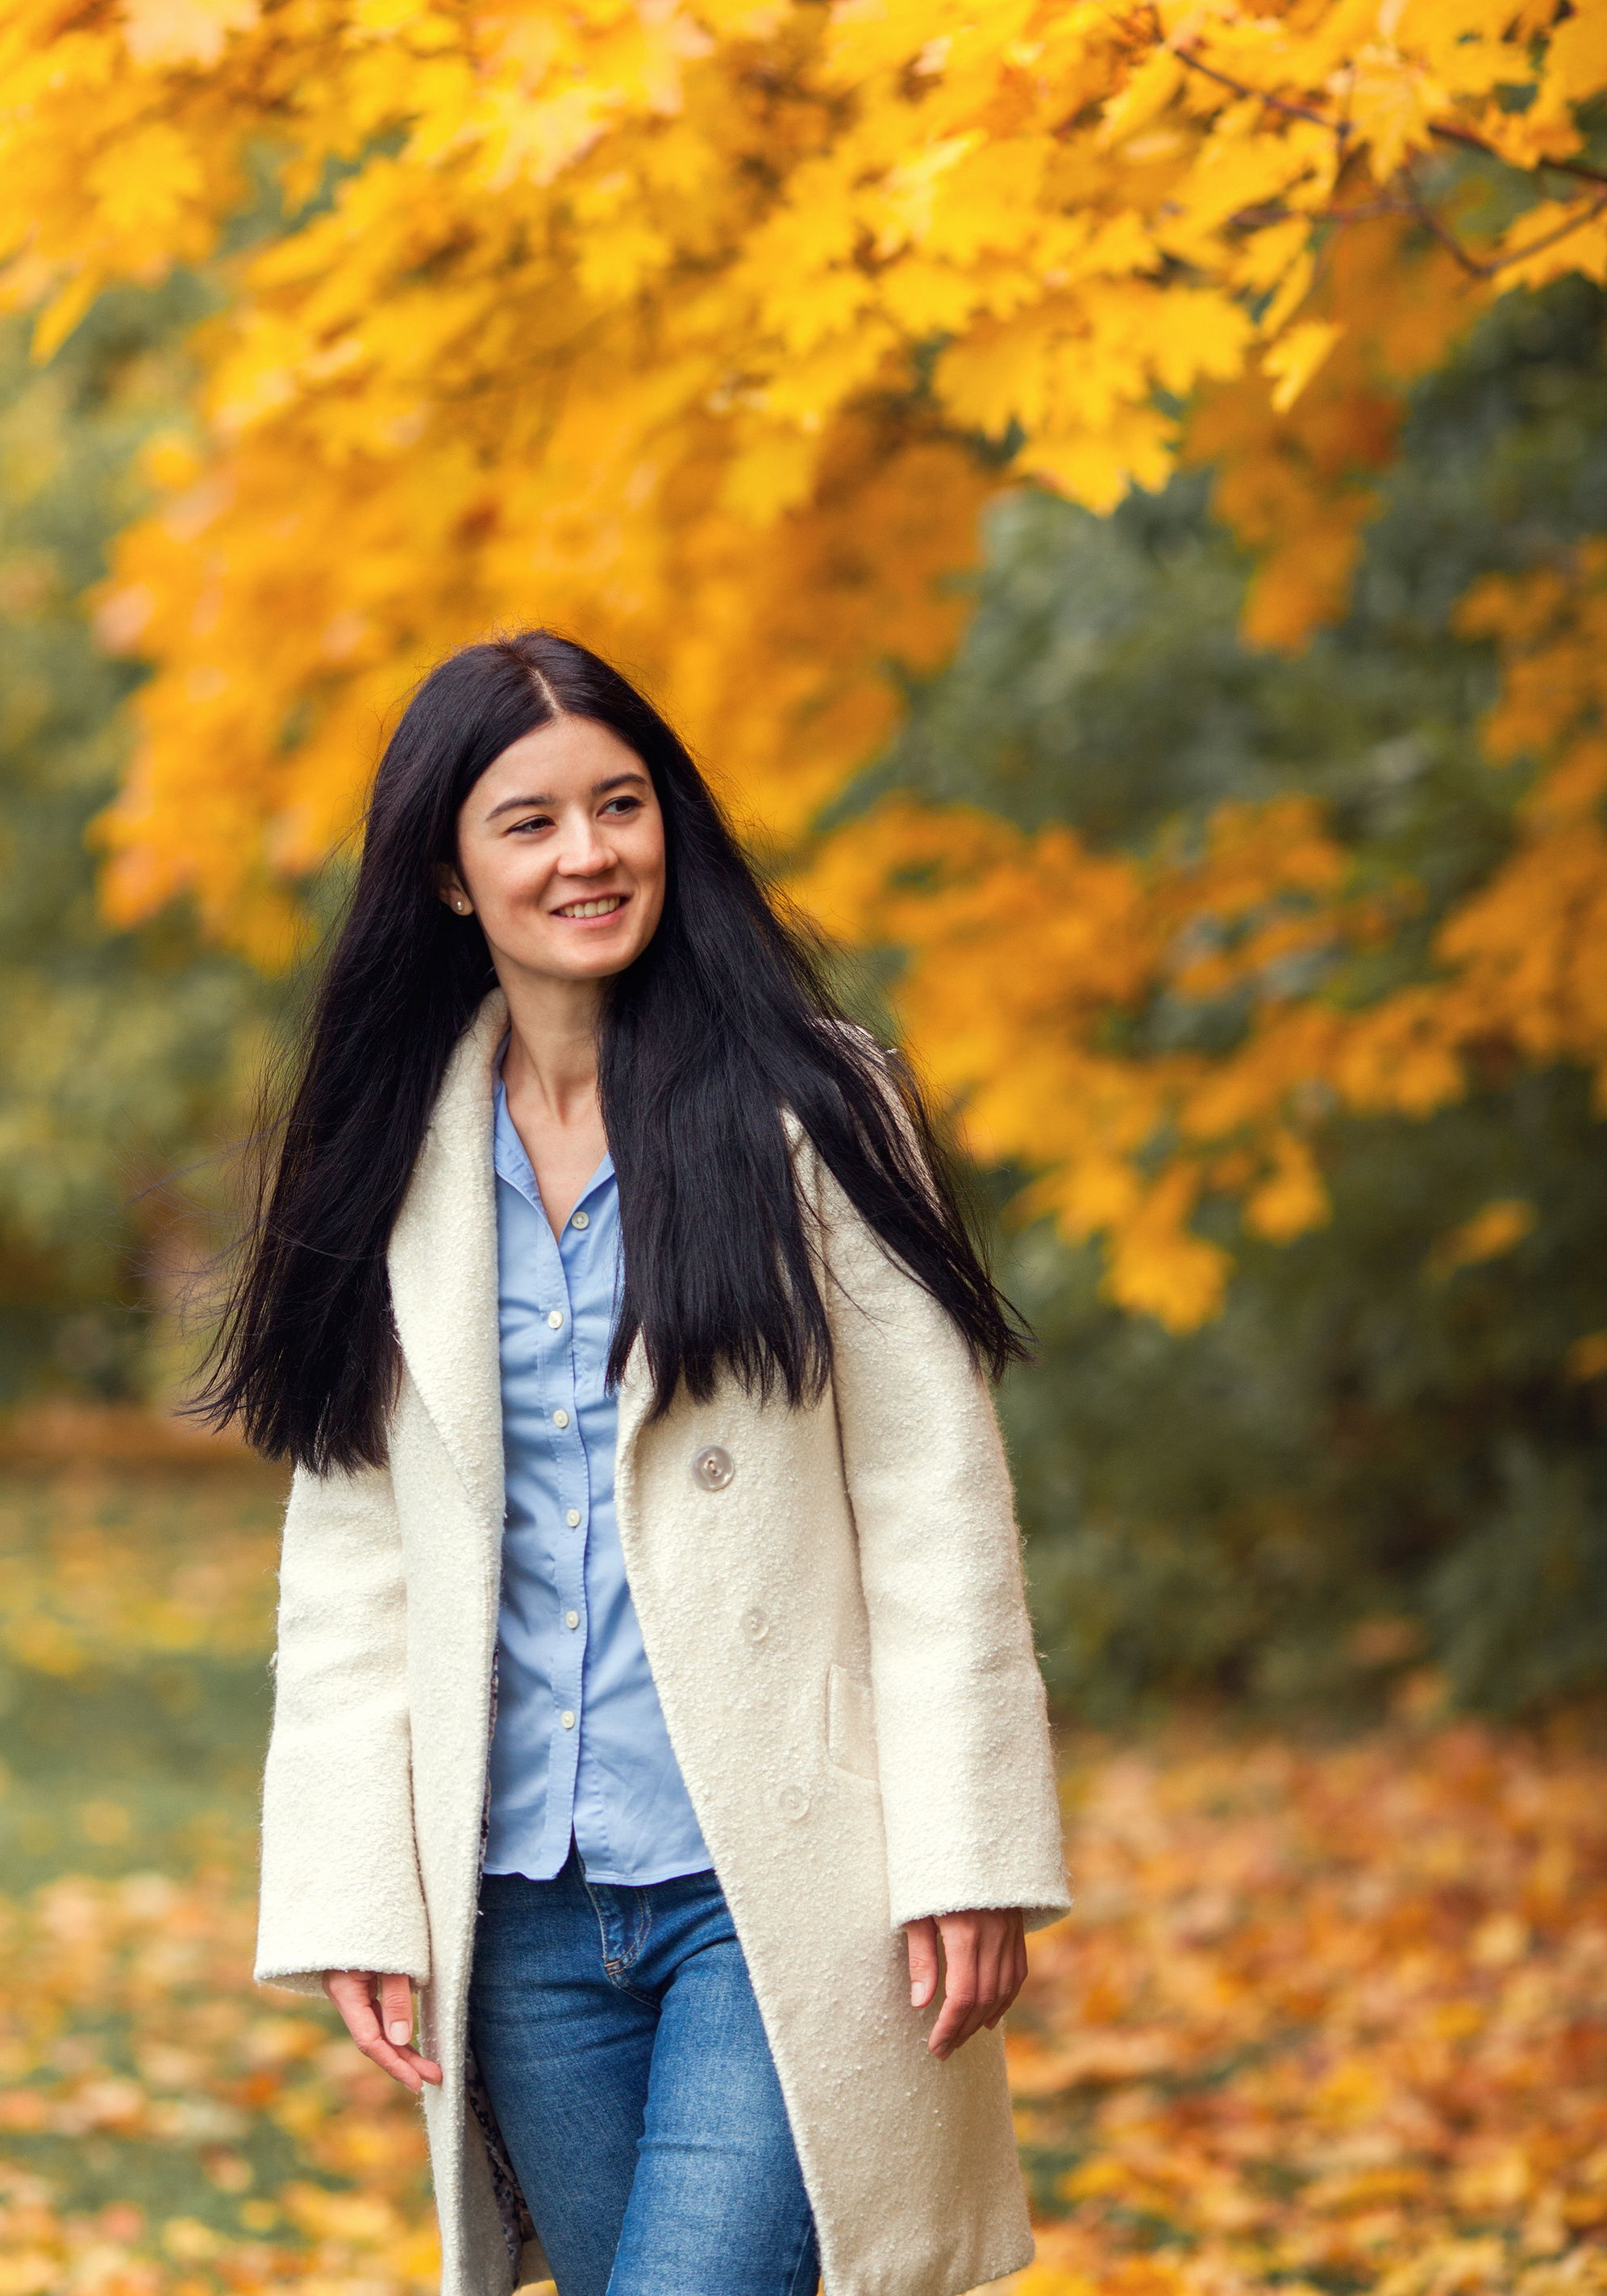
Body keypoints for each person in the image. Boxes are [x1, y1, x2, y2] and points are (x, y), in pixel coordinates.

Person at [202, 632, 1068, 2296]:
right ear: (448, 877)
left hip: (782, 1887)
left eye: (619, 804)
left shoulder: (819, 1111)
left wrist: (969, 1850)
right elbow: (352, 1571)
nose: (586, 853)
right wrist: (349, 1894)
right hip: (515, 1911)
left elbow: (933, 1509)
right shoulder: (393, 1162)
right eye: (526, 822)